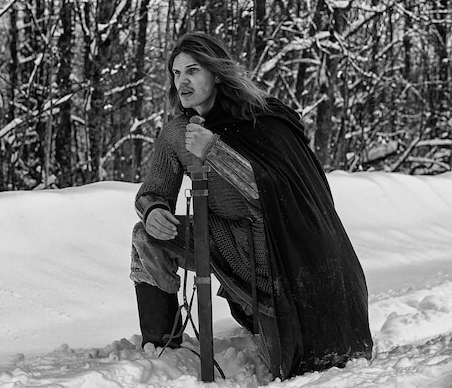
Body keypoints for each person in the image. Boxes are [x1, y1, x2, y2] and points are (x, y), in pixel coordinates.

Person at [129, 32, 372, 380]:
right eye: (175, 72)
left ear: (216, 73)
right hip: (218, 238)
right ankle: (162, 348)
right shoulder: (176, 132)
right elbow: (153, 191)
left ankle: (261, 314)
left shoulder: (263, 119)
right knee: (144, 237)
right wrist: (153, 211)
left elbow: (279, 191)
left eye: (193, 70)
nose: (182, 81)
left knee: (294, 366)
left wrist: (215, 149)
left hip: (274, 261)